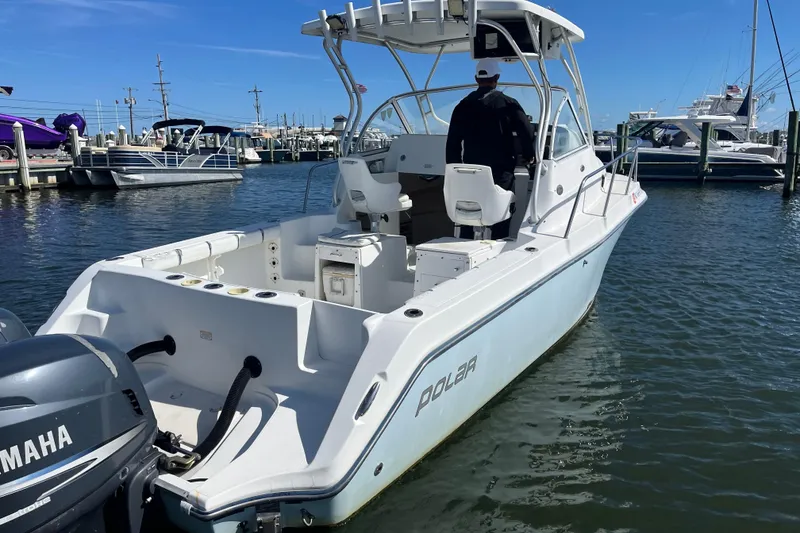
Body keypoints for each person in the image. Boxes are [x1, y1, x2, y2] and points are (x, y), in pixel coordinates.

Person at [445, 58, 535, 240]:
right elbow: (527, 133)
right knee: (501, 211)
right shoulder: (509, 104)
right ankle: (498, 246)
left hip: (470, 172)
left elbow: (452, 143)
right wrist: (529, 157)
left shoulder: (461, 106)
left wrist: (455, 171)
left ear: (476, 78)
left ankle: (465, 243)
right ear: (497, 77)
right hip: (500, 172)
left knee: (469, 211)